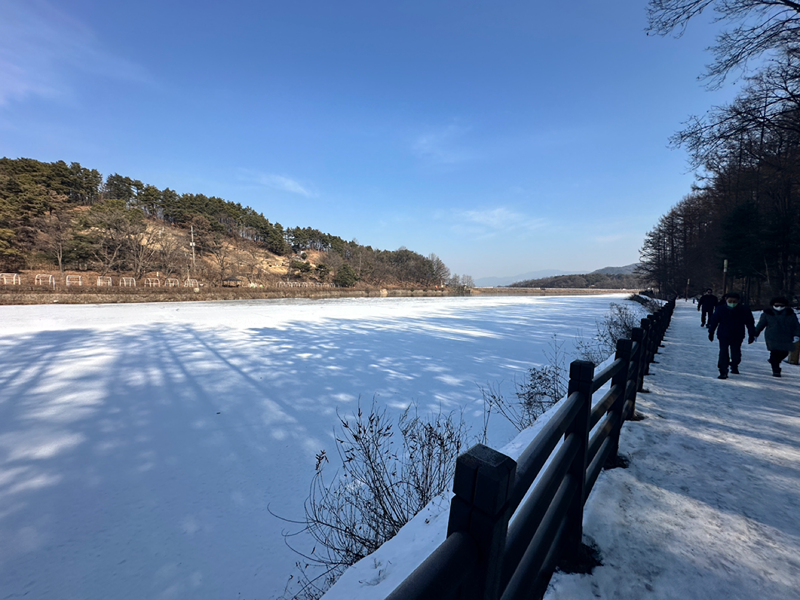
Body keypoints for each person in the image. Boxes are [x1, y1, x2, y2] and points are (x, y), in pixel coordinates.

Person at [708, 292, 756, 379]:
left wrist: (751, 334)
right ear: (726, 300)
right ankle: (723, 371)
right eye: (730, 301)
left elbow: (750, 323)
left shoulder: (744, 310)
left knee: (736, 353)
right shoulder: (720, 309)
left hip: (738, 335)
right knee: (723, 352)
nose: (732, 303)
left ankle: (734, 364)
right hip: (723, 334)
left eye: (734, 301)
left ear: (738, 301)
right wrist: (711, 332)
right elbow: (714, 321)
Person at [753, 296, 800, 377]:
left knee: (784, 352)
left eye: (781, 305)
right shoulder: (767, 313)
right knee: (774, 353)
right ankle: (776, 369)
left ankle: (773, 361)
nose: (779, 307)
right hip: (772, 337)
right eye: (777, 305)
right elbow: (761, 324)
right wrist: (755, 333)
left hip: (786, 337)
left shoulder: (790, 314)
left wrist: (797, 335)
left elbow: (796, 326)